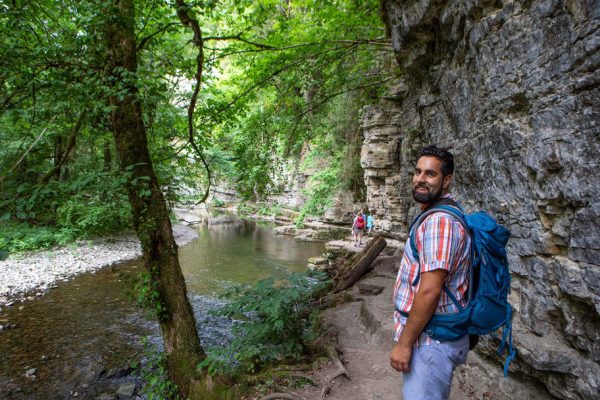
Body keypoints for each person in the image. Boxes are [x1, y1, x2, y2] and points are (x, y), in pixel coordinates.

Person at [390, 145, 472, 400]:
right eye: (417, 172)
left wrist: (404, 344)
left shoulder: (439, 222)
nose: (420, 179)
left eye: (430, 174)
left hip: (431, 341)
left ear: (446, 180)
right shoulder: (440, 213)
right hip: (433, 336)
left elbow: (429, 289)